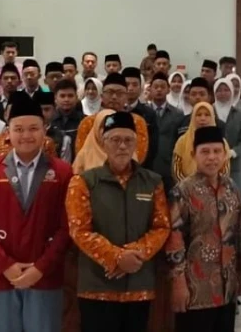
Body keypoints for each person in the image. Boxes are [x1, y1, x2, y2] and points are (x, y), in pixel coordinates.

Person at [0, 88, 72, 332]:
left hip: (44, 277)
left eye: (33, 128)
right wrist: (5, 265)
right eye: (19, 129)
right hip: (0, 277)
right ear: (8, 132)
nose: (26, 135)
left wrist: (40, 268)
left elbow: (67, 227)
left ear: (45, 129)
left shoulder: (63, 172)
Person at [66, 111, 170, 332]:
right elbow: (79, 230)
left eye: (128, 140)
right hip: (97, 286)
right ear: (103, 143)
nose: (122, 146)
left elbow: (161, 226)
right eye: (115, 140)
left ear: (136, 144)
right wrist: (116, 257)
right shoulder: (84, 182)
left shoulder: (152, 182)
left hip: (139, 284)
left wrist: (133, 254)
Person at [167, 125, 241, 332]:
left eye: (217, 151)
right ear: (194, 155)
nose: (212, 157)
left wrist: (240, 275)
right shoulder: (182, 191)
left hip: (226, 289)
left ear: (224, 154)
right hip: (195, 290)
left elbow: (238, 236)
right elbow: (174, 242)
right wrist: (178, 284)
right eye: (205, 152)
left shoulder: (232, 188)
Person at [213, 75, 241, 203]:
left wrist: (233, 152)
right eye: (219, 90)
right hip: (212, 162)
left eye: (226, 90)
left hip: (235, 163)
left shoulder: (239, 114)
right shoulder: (208, 111)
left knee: (235, 197)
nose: (223, 93)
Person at [171, 102, 230, 182]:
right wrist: (188, 188)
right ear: (192, 117)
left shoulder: (221, 142)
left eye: (207, 115)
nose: (202, 118)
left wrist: (214, 186)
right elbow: (177, 170)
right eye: (198, 115)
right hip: (187, 189)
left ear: (213, 117)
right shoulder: (182, 141)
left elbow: (225, 169)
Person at [147, 72, 185, 190]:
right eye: (156, 87)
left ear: (168, 90)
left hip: (169, 166)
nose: (159, 90)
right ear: (150, 89)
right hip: (147, 166)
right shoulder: (143, 112)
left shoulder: (178, 114)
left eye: (162, 87)